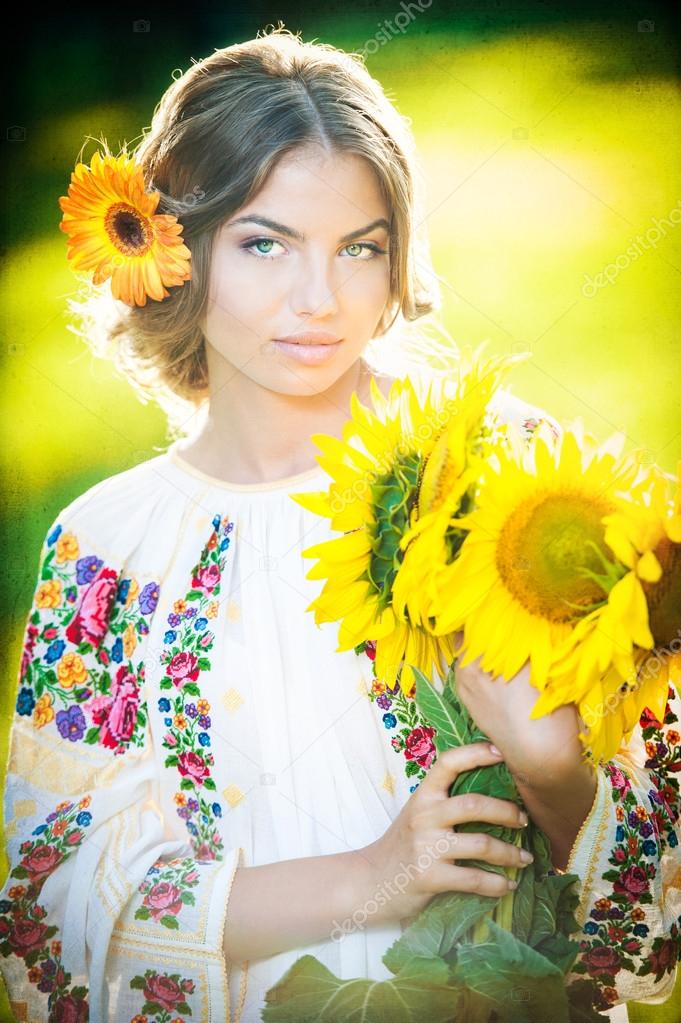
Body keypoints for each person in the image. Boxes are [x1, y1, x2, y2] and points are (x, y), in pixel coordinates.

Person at [1, 26, 678, 1023]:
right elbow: (52, 912)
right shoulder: (110, 550)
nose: (319, 300)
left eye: (359, 249)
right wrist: (373, 878)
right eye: (264, 243)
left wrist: (552, 770)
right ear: (175, 250)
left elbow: (656, 884)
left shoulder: (514, 481)